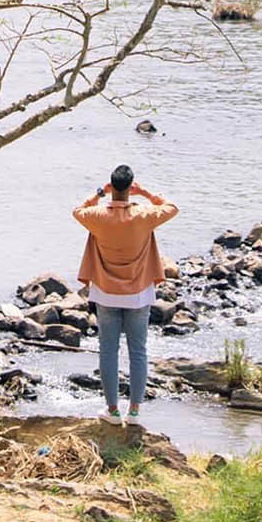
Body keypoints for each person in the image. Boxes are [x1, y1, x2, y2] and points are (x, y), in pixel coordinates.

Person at [73, 164, 178, 424]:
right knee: (138, 351)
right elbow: (172, 207)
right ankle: (134, 412)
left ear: (112, 187)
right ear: (131, 187)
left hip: (106, 293)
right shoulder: (143, 215)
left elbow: (77, 210)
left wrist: (99, 193)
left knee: (108, 351)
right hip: (138, 293)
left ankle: (112, 411)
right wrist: (146, 193)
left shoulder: (98, 215)